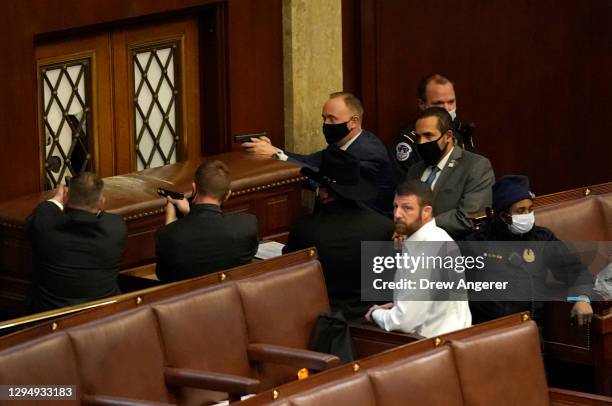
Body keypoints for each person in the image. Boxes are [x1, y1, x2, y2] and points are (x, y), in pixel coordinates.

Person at [465, 175, 594, 325]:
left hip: (531, 329)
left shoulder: (542, 239)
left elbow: (576, 271)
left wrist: (582, 298)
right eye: (520, 211)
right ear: (502, 215)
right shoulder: (475, 244)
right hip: (491, 332)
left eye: (530, 209)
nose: (527, 216)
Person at [283, 148, 394, 320]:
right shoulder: (383, 227)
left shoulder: (304, 229)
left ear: (325, 193)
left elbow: (290, 279)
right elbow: (388, 285)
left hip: (319, 320)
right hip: (371, 320)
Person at [242, 92, 395, 216]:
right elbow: (309, 161)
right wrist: (273, 150)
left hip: (365, 226)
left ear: (353, 121)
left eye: (332, 119)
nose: (325, 124)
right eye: (324, 118)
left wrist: (277, 155)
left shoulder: (368, 152)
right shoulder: (340, 143)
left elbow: (330, 184)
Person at [365, 180, 472, 337]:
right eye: (395, 206)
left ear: (426, 211)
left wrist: (375, 313)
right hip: (452, 339)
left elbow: (403, 323)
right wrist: (400, 306)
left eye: (407, 208)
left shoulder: (425, 251)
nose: (397, 214)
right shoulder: (440, 237)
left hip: (432, 348)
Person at [27, 172, 126, 312]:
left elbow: (46, 210)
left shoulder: (44, 224)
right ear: (101, 202)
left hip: (50, 320)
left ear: (67, 197)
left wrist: (57, 199)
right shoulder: (115, 228)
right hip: (102, 317)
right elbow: (104, 217)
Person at [155, 160, 258, 282]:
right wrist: (189, 213)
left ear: (194, 188)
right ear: (227, 195)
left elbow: (164, 275)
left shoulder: (168, 234)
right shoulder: (247, 225)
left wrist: (171, 224)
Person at [405, 107, 494, 239]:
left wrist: (424, 226)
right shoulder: (415, 170)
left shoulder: (476, 166)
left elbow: (469, 217)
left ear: (448, 136)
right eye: (418, 137)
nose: (421, 143)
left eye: (428, 135)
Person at [390, 73, 477, 180]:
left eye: (451, 102)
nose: (447, 108)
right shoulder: (410, 139)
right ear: (422, 104)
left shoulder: (461, 131)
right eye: (439, 103)